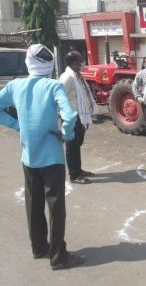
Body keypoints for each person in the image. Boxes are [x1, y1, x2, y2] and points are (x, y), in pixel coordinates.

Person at [0, 44, 85, 270]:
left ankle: (38, 248)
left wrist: (17, 125)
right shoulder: (53, 86)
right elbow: (70, 116)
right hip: (52, 159)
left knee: (33, 205)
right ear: (49, 64)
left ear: (29, 62)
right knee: (56, 209)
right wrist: (66, 135)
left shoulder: (15, 86)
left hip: (28, 157)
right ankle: (59, 257)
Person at [59, 51, 97, 184]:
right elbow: (58, 97)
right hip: (72, 118)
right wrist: (64, 116)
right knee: (72, 146)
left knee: (77, 144)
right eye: (78, 62)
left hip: (80, 116)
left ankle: (78, 170)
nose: (81, 64)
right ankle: (74, 175)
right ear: (71, 63)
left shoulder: (77, 75)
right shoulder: (67, 77)